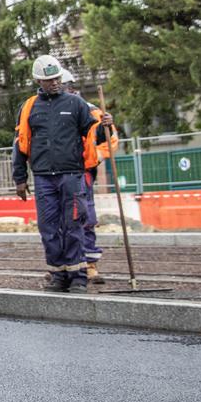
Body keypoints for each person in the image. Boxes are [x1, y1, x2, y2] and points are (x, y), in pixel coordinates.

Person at [12, 57, 111, 292]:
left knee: (73, 224)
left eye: (57, 78)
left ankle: (78, 276)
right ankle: (58, 274)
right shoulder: (29, 107)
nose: (55, 83)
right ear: (38, 81)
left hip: (72, 175)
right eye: (49, 80)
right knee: (49, 227)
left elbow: (93, 135)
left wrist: (106, 126)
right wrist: (19, 178)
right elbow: (21, 143)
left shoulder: (76, 104)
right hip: (44, 177)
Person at [64, 71, 117, 284]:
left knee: (85, 216)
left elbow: (111, 139)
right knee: (62, 220)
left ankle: (90, 264)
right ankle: (66, 265)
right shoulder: (48, 109)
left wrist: (96, 156)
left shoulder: (93, 112)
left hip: (83, 170)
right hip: (58, 172)